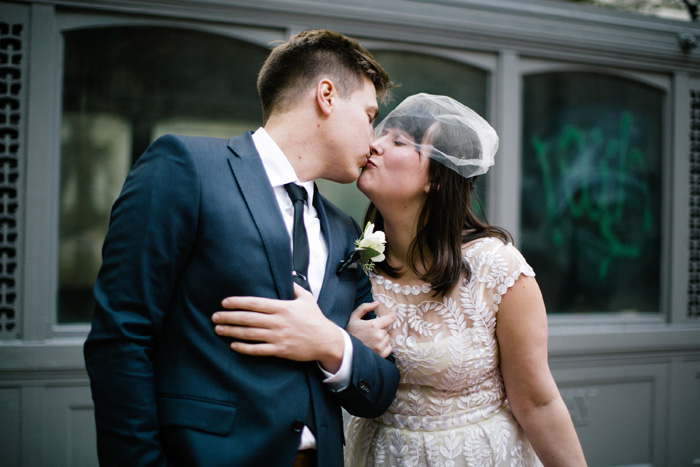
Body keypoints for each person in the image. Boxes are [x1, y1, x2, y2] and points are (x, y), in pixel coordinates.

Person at [83, 29, 400, 467]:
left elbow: (381, 387)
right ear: (326, 95)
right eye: (369, 115)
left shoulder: (346, 231)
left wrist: (334, 343)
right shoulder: (186, 168)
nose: (375, 138)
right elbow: (122, 334)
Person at [342, 93, 587, 466]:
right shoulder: (353, 259)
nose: (373, 144)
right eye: (380, 133)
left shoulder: (498, 269)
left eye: (397, 141)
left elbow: (537, 403)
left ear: (437, 180)